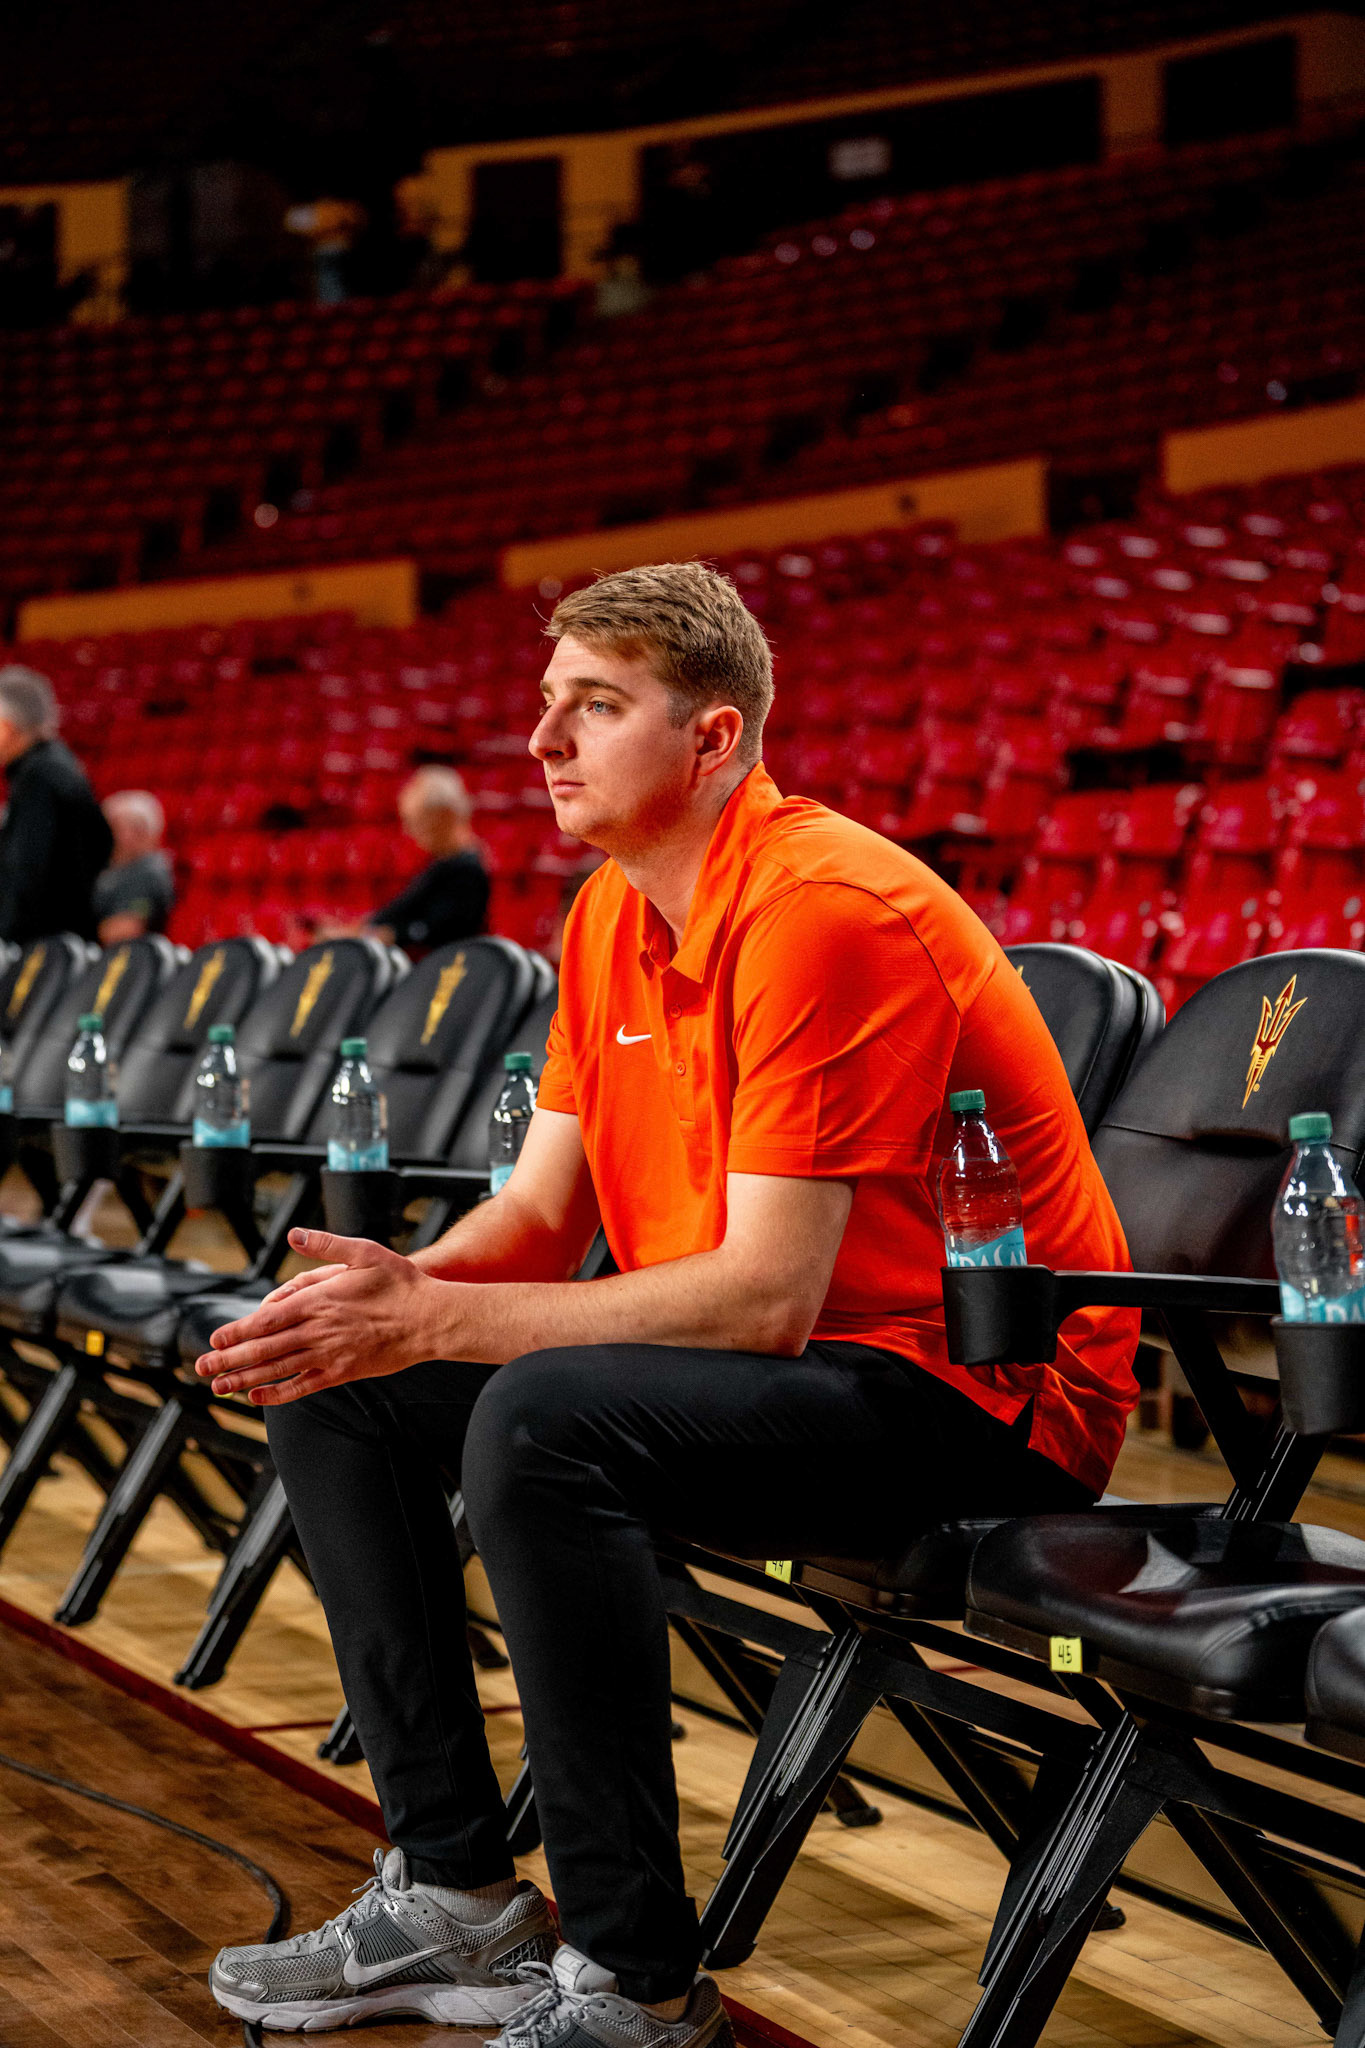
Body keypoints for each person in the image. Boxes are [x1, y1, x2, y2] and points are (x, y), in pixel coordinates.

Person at [197, 563, 1139, 2043]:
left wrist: (438, 1323)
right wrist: (374, 1303)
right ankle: (451, 1895)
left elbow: (766, 1295)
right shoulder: (605, 914)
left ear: (712, 739)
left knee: (539, 1419)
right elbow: (541, 1216)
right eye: (545, 705)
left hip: (973, 1396)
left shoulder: (824, 909)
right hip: (789, 1368)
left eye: (595, 705)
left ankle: (634, 1983)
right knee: (341, 1388)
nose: (542, 742)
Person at [0, 664, 112, 944]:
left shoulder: (39, 777)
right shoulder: (57, 767)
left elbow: (26, 875)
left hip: (44, 951)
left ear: (7, 728)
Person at [365, 766, 490, 952]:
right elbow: (401, 909)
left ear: (445, 816)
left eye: (419, 822)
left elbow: (443, 929)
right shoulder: (441, 864)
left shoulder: (468, 870)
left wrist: (391, 934)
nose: (410, 832)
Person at [92, 790, 175, 942]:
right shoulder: (113, 868)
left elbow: (124, 931)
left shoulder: (148, 871)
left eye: (113, 827)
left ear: (139, 831)